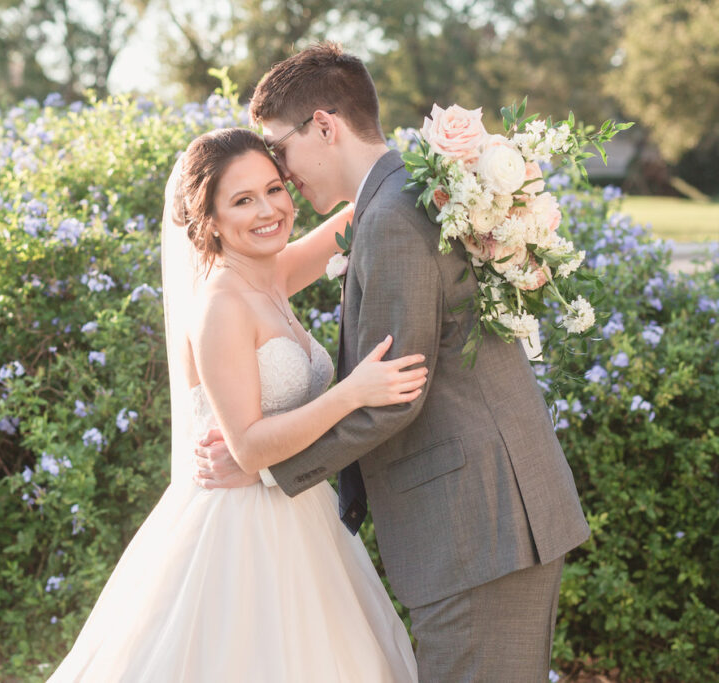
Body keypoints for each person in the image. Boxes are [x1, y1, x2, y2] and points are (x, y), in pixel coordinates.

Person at [195, 42, 590, 683]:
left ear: (323, 125)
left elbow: (394, 393)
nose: (283, 173)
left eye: (281, 151)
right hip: (489, 521)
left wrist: (264, 467)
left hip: (476, 527)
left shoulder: (392, 217)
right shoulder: (409, 193)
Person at [47, 127, 424, 682]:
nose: (269, 209)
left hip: (300, 511)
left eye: (275, 189)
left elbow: (365, 206)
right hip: (239, 529)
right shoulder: (220, 305)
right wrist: (353, 392)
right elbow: (246, 447)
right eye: (242, 200)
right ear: (209, 220)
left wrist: (453, 169)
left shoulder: (273, 273)